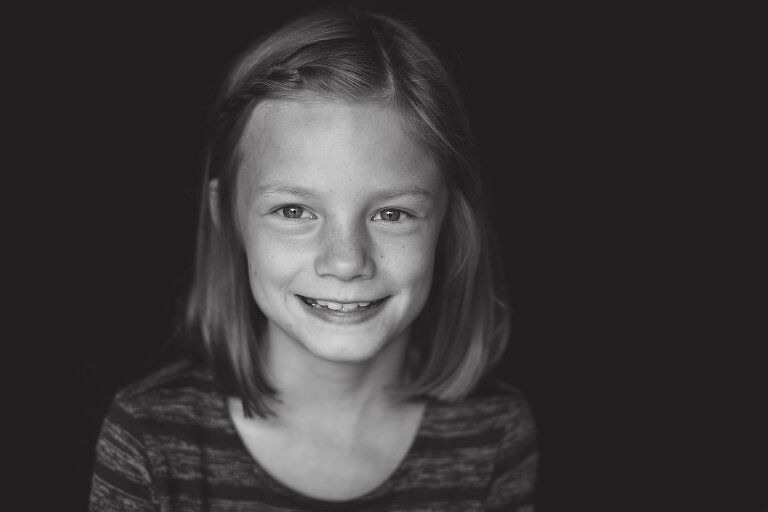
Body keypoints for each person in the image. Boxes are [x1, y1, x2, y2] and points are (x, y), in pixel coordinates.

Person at [90, 7, 538, 511]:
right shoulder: (151, 439)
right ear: (227, 216)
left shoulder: (492, 435)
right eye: (294, 210)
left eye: (392, 213)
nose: (346, 262)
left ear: (449, 223)